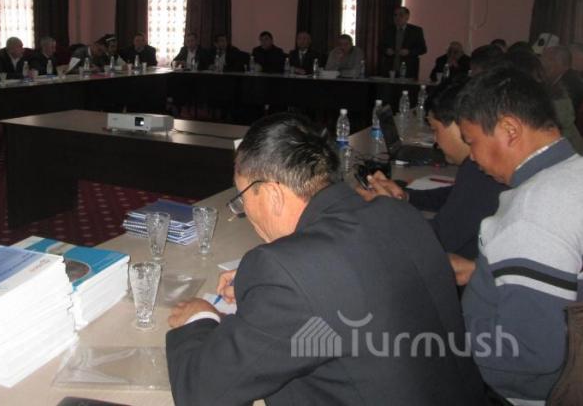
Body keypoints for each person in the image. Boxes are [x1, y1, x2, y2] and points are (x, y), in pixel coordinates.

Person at [166, 113, 487, 406]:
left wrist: (199, 319)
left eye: (242, 200)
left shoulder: (286, 271)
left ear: (273, 194)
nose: (245, 214)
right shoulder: (398, 213)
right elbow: (349, 279)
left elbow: (202, 395)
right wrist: (266, 288)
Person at [450, 67, 583, 404]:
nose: (472, 157)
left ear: (510, 129)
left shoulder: (531, 213)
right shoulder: (573, 172)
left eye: (472, 141)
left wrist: (443, 331)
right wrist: (481, 274)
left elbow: (530, 351)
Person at [357, 81, 506, 259]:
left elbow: (437, 239)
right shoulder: (478, 170)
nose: (435, 140)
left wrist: (389, 210)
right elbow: (455, 196)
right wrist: (406, 197)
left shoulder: (479, 169)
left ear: (460, 125)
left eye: (435, 129)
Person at [380, 6, 427, 78]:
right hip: (390, 70)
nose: (397, 17)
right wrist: (386, 50)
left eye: (401, 15)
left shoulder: (416, 31)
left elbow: (423, 49)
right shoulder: (388, 30)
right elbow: (380, 46)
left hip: (409, 70)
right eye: (395, 15)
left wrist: (409, 52)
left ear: (407, 17)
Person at [542, 45, 583, 113]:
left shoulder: (570, 85)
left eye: (550, 59)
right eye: (543, 58)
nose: (543, 63)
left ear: (564, 64)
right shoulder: (558, 79)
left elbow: (562, 114)